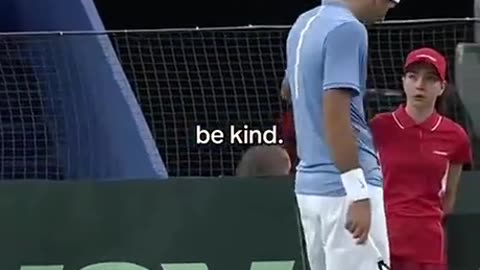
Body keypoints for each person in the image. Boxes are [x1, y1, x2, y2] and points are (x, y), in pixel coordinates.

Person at [284, 0, 397, 269]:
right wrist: (358, 194)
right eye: (392, 1)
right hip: (344, 191)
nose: (391, 9)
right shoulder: (348, 29)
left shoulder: (303, 24)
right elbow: (335, 115)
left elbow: (288, 90)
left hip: (310, 191)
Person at [370, 48, 473, 270]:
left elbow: (449, 196)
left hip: (428, 245)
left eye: (430, 78)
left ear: (442, 87)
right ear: (404, 81)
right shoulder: (378, 127)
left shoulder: (456, 136)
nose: (420, 85)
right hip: (382, 241)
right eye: (413, 76)